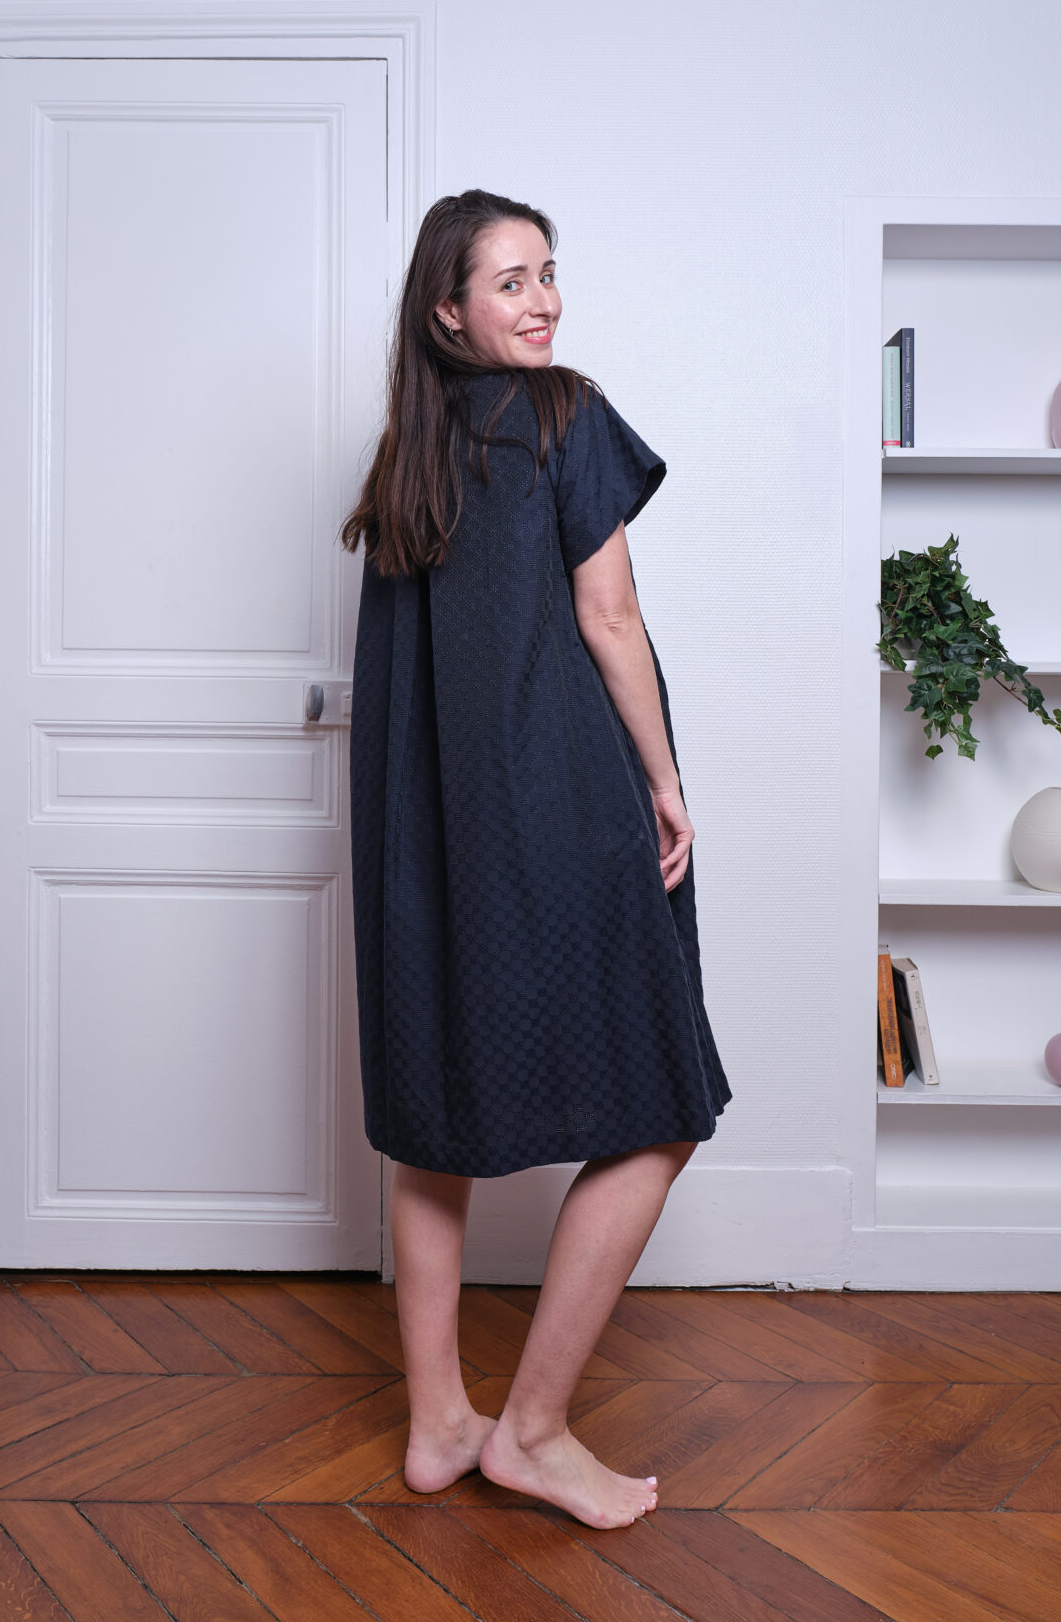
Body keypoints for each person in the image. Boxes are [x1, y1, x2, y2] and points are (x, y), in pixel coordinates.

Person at [340, 188, 732, 1530]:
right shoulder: (562, 414)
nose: (543, 299)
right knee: (662, 1106)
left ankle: (439, 1423)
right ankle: (536, 1433)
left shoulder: (411, 453)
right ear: (448, 310)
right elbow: (609, 617)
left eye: (547, 272)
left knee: (432, 1122)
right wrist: (666, 783)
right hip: (562, 814)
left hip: (426, 839)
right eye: (509, 281)